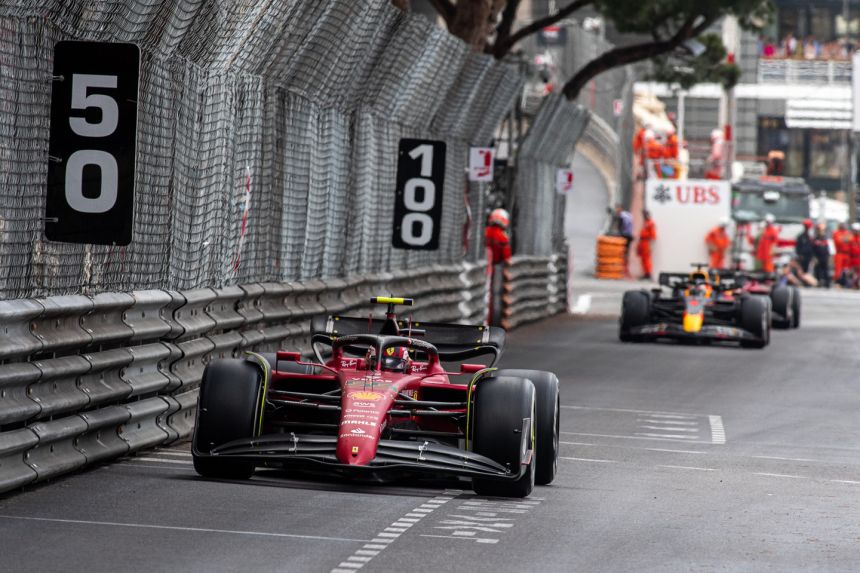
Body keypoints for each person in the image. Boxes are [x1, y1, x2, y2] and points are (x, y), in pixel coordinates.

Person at [610, 204, 635, 274]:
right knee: (625, 252)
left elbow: (623, 226)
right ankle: (624, 268)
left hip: (626, 235)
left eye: (617, 209)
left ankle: (623, 268)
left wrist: (619, 233)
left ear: (620, 208)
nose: (616, 210)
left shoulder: (623, 216)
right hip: (628, 235)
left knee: (622, 251)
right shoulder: (626, 214)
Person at [636, 210, 656, 280]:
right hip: (642, 242)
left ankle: (648, 274)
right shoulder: (645, 223)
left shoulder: (651, 223)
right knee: (643, 259)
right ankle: (645, 273)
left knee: (646, 259)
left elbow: (653, 236)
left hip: (646, 243)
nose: (644, 216)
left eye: (645, 215)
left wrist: (649, 244)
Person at [811, 223, 831, 288]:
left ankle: (827, 283)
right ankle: (818, 282)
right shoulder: (815, 239)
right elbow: (813, 249)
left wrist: (829, 257)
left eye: (822, 230)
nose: (821, 231)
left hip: (824, 257)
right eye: (819, 230)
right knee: (817, 270)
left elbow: (829, 249)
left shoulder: (826, 239)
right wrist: (814, 257)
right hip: (818, 257)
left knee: (826, 270)